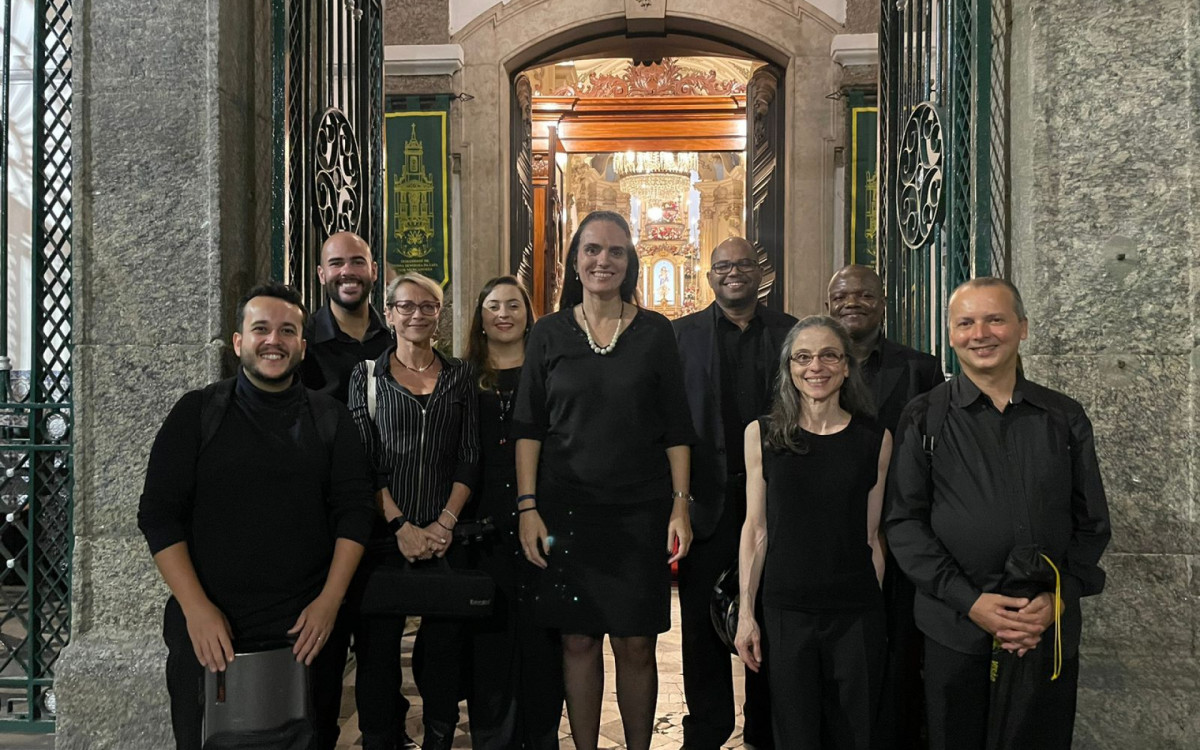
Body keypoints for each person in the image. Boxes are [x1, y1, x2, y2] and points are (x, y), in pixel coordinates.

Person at [137, 282, 375, 750]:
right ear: (239, 341)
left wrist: (329, 603)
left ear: (302, 347)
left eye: (288, 331)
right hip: (213, 630)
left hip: (306, 630)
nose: (274, 340)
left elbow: (355, 512)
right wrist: (196, 609)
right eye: (261, 329)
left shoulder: (330, 419)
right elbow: (159, 515)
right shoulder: (197, 413)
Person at [885, 277, 1111, 750]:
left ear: (1022, 328)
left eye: (995, 319)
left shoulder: (1063, 417)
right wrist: (971, 601)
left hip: (1042, 627)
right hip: (955, 624)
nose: (980, 333)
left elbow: (1091, 524)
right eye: (965, 322)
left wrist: (1057, 599)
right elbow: (904, 524)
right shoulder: (924, 417)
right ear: (950, 334)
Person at [512, 210, 695, 750]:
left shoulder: (656, 332)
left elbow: (677, 428)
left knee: (636, 644)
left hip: (640, 510)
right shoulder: (547, 333)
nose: (603, 261)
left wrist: (680, 505)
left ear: (630, 261)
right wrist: (527, 507)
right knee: (577, 641)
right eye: (592, 250)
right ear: (575, 260)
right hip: (565, 510)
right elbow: (528, 426)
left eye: (616, 251)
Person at [734, 316, 891, 749]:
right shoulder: (762, 435)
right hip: (788, 612)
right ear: (789, 368)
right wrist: (747, 614)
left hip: (855, 614)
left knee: (856, 735)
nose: (815, 366)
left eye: (828, 355)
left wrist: (870, 608)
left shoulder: (874, 439)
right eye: (802, 357)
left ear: (845, 367)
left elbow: (871, 536)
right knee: (795, 736)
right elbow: (756, 529)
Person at [346, 272, 480, 750]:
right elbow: (363, 460)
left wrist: (444, 522)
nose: (416, 314)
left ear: (439, 315)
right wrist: (400, 524)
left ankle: (440, 734)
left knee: (443, 649)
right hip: (384, 536)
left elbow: (470, 455)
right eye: (406, 306)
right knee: (378, 652)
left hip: (447, 533)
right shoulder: (366, 376)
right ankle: (383, 738)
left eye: (428, 306)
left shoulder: (460, 375)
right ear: (389, 313)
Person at [672, 236, 795, 750]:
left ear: (759, 272)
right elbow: (670, 420)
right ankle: (706, 730)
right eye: (723, 266)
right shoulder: (680, 335)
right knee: (703, 630)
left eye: (742, 264)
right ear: (710, 277)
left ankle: (764, 730)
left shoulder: (793, 332)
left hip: (780, 506)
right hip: (709, 504)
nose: (733, 273)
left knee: (772, 619)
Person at [826, 264, 942, 749]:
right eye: (842, 296)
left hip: (899, 530)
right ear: (828, 305)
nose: (852, 302)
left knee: (897, 645)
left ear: (883, 302)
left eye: (864, 295)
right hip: (830, 528)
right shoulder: (814, 364)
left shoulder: (920, 367)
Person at [462, 275, 564, 749]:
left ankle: (541, 731)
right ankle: (492, 732)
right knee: (491, 629)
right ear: (480, 318)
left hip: (541, 512)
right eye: (493, 306)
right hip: (483, 518)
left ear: (529, 316)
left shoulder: (548, 371)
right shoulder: (461, 377)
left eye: (514, 306)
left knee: (543, 629)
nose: (503, 314)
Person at [301, 231, 392, 404]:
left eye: (357, 262)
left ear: (373, 271)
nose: (347, 271)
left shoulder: (394, 341)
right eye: (336, 263)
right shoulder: (303, 342)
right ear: (322, 275)